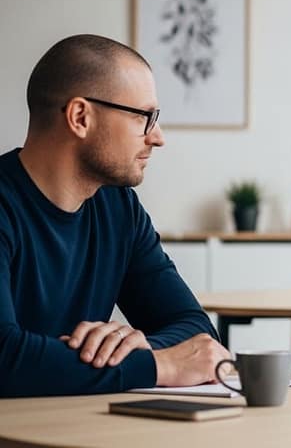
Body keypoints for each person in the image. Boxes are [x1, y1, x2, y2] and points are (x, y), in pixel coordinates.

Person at [0, 34, 230, 397]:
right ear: (80, 117)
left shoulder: (119, 208)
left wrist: (135, 347)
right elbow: (4, 358)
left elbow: (194, 329)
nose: (158, 137)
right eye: (145, 117)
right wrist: (161, 364)